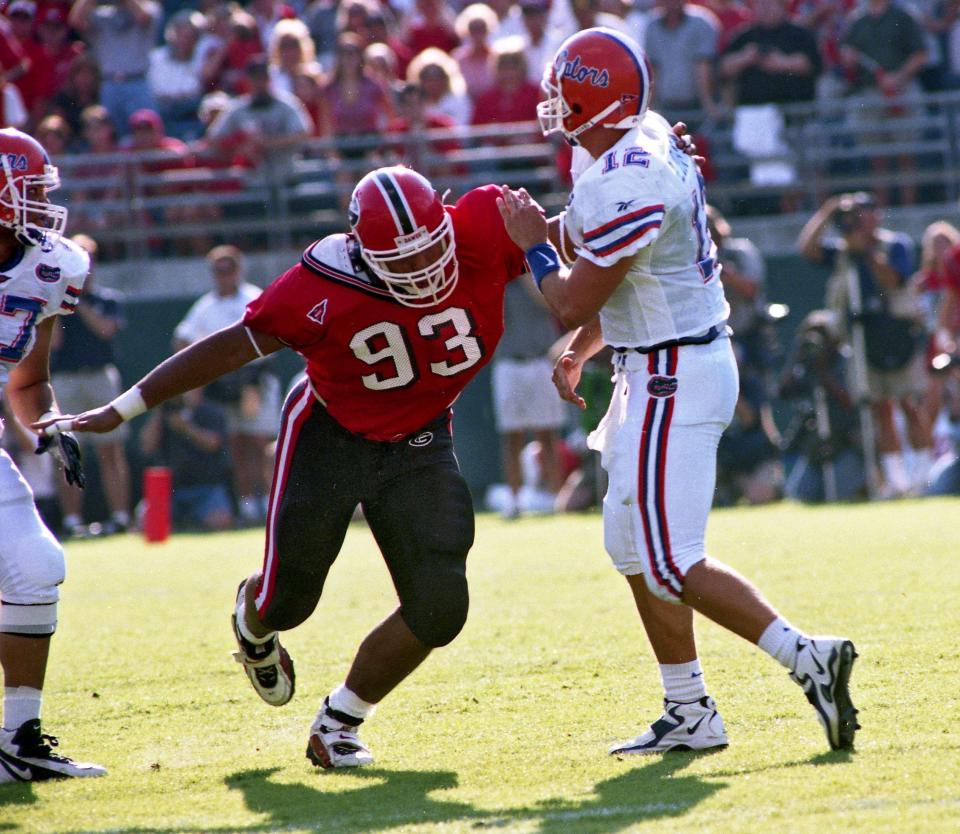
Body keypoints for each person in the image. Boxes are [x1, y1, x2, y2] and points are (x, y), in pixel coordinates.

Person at [39, 165, 529, 770]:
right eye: (398, 260)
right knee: (290, 601)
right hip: (331, 433)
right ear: (360, 253)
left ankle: (340, 723)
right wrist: (125, 407)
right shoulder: (316, 286)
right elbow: (226, 347)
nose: (420, 269)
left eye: (430, 248)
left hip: (421, 437)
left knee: (440, 606)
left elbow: (580, 251)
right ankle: (253, 614)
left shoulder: (485, 225)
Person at [495, 27, 859, 754]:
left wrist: (533, 244)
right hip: (651, 361)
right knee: (628, 546)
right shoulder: (630, 143)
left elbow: (569, 293)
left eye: (565, 95)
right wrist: (590, 344)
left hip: (675, 374)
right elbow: (625, 263)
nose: (552, 106)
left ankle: (807, 655)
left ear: (600, 104)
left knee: (668, 557)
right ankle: (689, 709)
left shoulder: (630, 172)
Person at [0, 127, 105, 781]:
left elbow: (28, 382)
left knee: (36, 567)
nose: (42, 206)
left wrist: (49, 425)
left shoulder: (49, 268)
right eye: (30, 192)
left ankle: (16, 742)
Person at [797, 192, 934, 496]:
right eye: (854, 215)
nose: (860, 221)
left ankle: (922, 474)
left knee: (910, 404)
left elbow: (894, 280)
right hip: (863, 339)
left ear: (878, 215)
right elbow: (807, 249)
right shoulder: (844, 251)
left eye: (865, 214)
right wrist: (827, 211)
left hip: (898, 335)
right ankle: (896, 480)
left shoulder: (893, 244)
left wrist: (868, 251)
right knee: (879, 408)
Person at [173, 245, 280, 526]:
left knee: (261, 446)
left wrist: (251, 383)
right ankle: (246, 508)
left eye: (229, 269)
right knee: (237, 448)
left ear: (239, 270)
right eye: (218, 270)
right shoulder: (205, 306)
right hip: (222, 385)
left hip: (254, 381)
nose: (224, 275)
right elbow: (182, 338)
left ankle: (270, 505)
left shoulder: (253, 297)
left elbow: (271, 339)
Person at [50, 234, 131, 538]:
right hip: (66, 380)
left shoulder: (108, 299)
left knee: (111, 450)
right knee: (68, 452)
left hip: (100, 378)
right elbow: (54, 343)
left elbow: (105, 330)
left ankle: (121, 517)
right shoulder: (58, 302)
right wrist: (60, 302)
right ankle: (72, 521)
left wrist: (78, 300)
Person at [138, 388, 234, 531]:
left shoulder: (212, 412)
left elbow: (213, 444)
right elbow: (146, 446)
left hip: (207, 488)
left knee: (221, 521)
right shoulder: (165, 414)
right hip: (172, 490)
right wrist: (160, 408)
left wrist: (187, 428)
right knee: (145, 520)